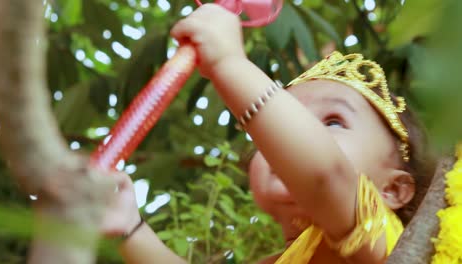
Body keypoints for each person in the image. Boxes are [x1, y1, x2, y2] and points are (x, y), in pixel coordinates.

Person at [100, 4, 435, 263]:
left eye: (332, 122)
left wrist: (229, 64)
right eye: (288, 119)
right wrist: (129, 228)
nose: (288, 133)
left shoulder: (388, 239)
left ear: (393, 190)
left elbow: (326, 175)